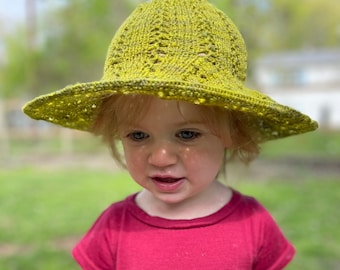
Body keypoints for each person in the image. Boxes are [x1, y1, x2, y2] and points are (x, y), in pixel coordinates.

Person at [23, 0, 318, 269]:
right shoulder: (114, 228)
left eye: (187, 134)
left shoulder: (253, 223)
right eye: (138, 136)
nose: (161, 157)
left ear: (233, 132)